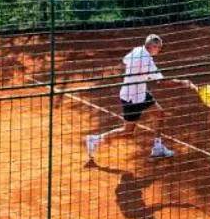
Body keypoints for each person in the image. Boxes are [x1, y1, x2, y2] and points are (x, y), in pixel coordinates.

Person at [83, 34, 199, 162]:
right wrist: (182, 82)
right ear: (152, 46)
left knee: (159, 113)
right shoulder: (146, 61)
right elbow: (161, 82)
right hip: (132, 98)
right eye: (158, 48)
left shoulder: (137, 50)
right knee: (127, 132)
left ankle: (157, 147)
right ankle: (95, 139)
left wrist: (138, 74)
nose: (159, 50)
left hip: (141, 93)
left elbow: (125, 60)